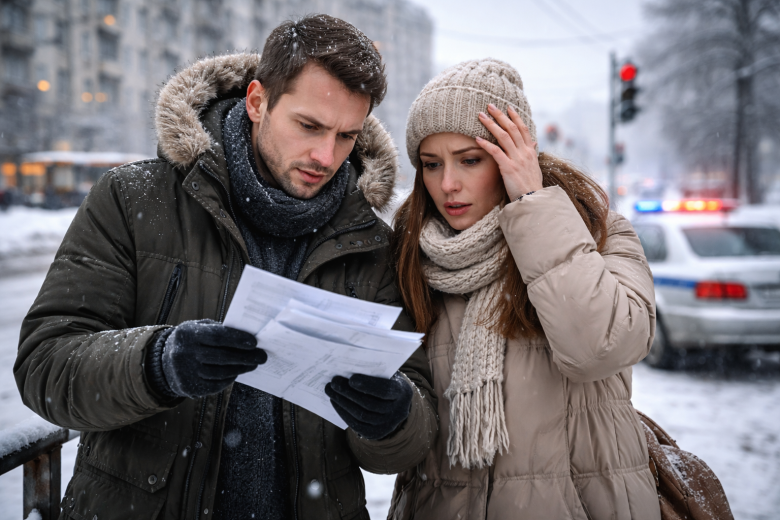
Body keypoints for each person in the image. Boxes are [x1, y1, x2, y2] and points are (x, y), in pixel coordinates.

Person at [15, 15, 437, 520]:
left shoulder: (371, 244)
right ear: (257, 101)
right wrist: (157, 363)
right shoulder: (133, 200)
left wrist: (392, 418)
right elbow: (45, 366)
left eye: (346, 135)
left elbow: (409, 433)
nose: (326, 156)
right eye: (309, 126)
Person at [388, 58, 661, 519]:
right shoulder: (415, 259)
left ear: (512, 155)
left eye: (470, 160)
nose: (448, 184)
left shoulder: (596, 233)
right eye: (432, 165)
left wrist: (533, 204)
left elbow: (600, 345)